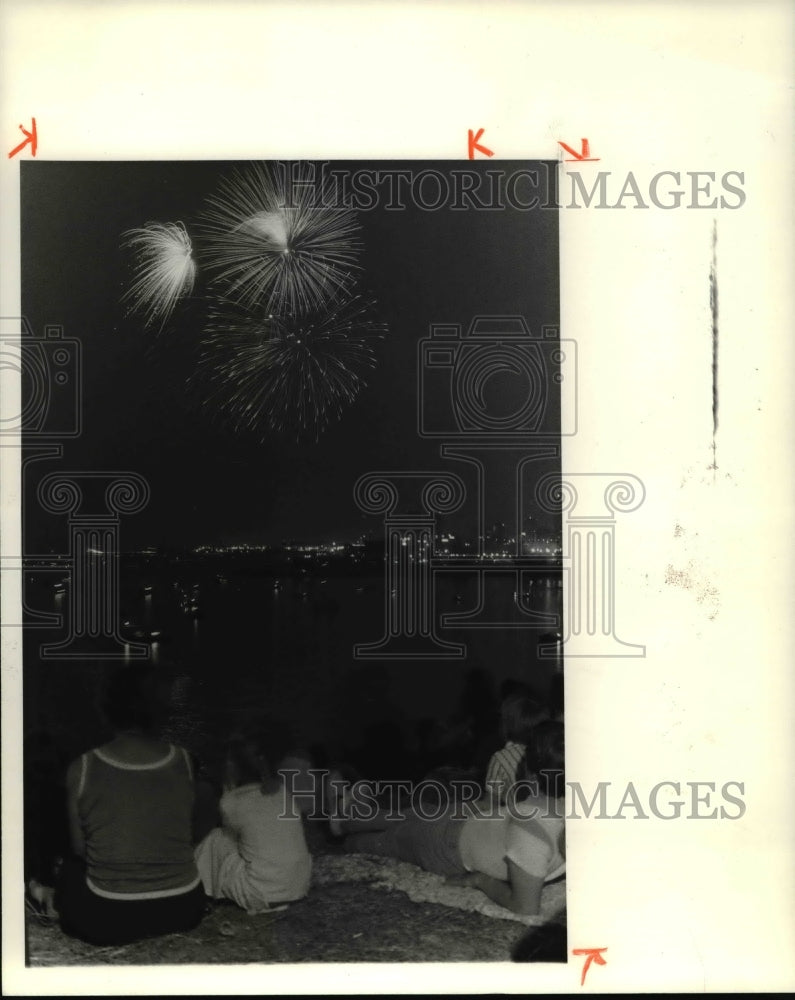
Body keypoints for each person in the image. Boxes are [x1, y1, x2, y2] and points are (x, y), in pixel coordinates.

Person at [332, 721, 566, 917]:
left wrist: (480, 881)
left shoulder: (533, 834)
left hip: (453, 841)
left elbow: (525, 908)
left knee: (391, 839)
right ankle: (348, 817)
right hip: (476, 820)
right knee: (415, 813)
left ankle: (344, 827)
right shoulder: (563, 815)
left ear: (532, 775)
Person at [55, 665, 206, 946]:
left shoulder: (83, 767)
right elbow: (191, 831)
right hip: (184, 908)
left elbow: (80, 849)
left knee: (69, 869)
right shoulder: (185, 761)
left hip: (109, 917)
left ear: (106, 708)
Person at [194, 724, 312, 915]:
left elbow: (230, 838)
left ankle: (200, 893)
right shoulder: (282, 791)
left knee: (217, 838)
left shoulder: (232, 801)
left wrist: (227, 787)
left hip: (261, 893)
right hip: (298, 887)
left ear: (231, 768)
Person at [483, 693, 549, 803]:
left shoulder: (501, 758)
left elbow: (490, 804)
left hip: (519, 817)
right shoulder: (550, 750)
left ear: (505, 723)